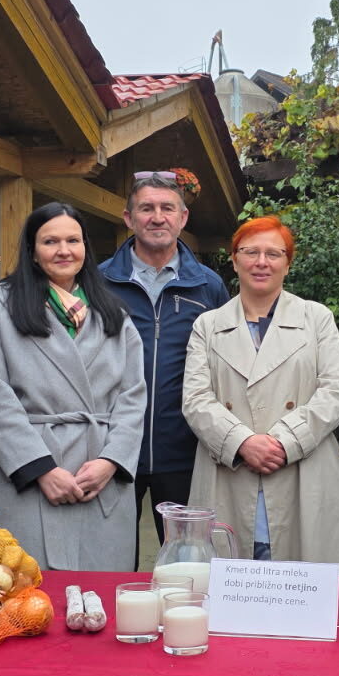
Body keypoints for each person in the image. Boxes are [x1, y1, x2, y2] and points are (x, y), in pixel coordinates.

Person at [0, 203, 146, 570]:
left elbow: (133, 397)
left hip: (99, 477)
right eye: (50, 241)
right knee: (27, 590)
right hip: (27, 475)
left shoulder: (113, 314)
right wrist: (41, 469)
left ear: (85, 248)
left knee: (102, 593)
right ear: (32, 250)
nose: (64, 250)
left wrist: (110, 462)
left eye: (73, 240)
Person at [182, 217, 339, 574]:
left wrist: (283, 442)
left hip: (304, 473)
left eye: (273, 254)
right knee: (227, 591)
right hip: (229, 475)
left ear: (287, 263)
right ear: (234, 260)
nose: (261, 262)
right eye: (250, 252)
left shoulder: (317, 319)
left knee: (304, 591)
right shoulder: (208, 325)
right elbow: (196, 399)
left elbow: (334, 392)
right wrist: (243, 442)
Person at [98, 173, 228, 551]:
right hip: (113, 451)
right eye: (147, 208)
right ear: (129, 218)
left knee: (187, 559)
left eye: (167, 208)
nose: (158, 217)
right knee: (112, 558)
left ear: (183, 218)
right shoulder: (97, 282)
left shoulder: (208, 286)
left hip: (184, 451)